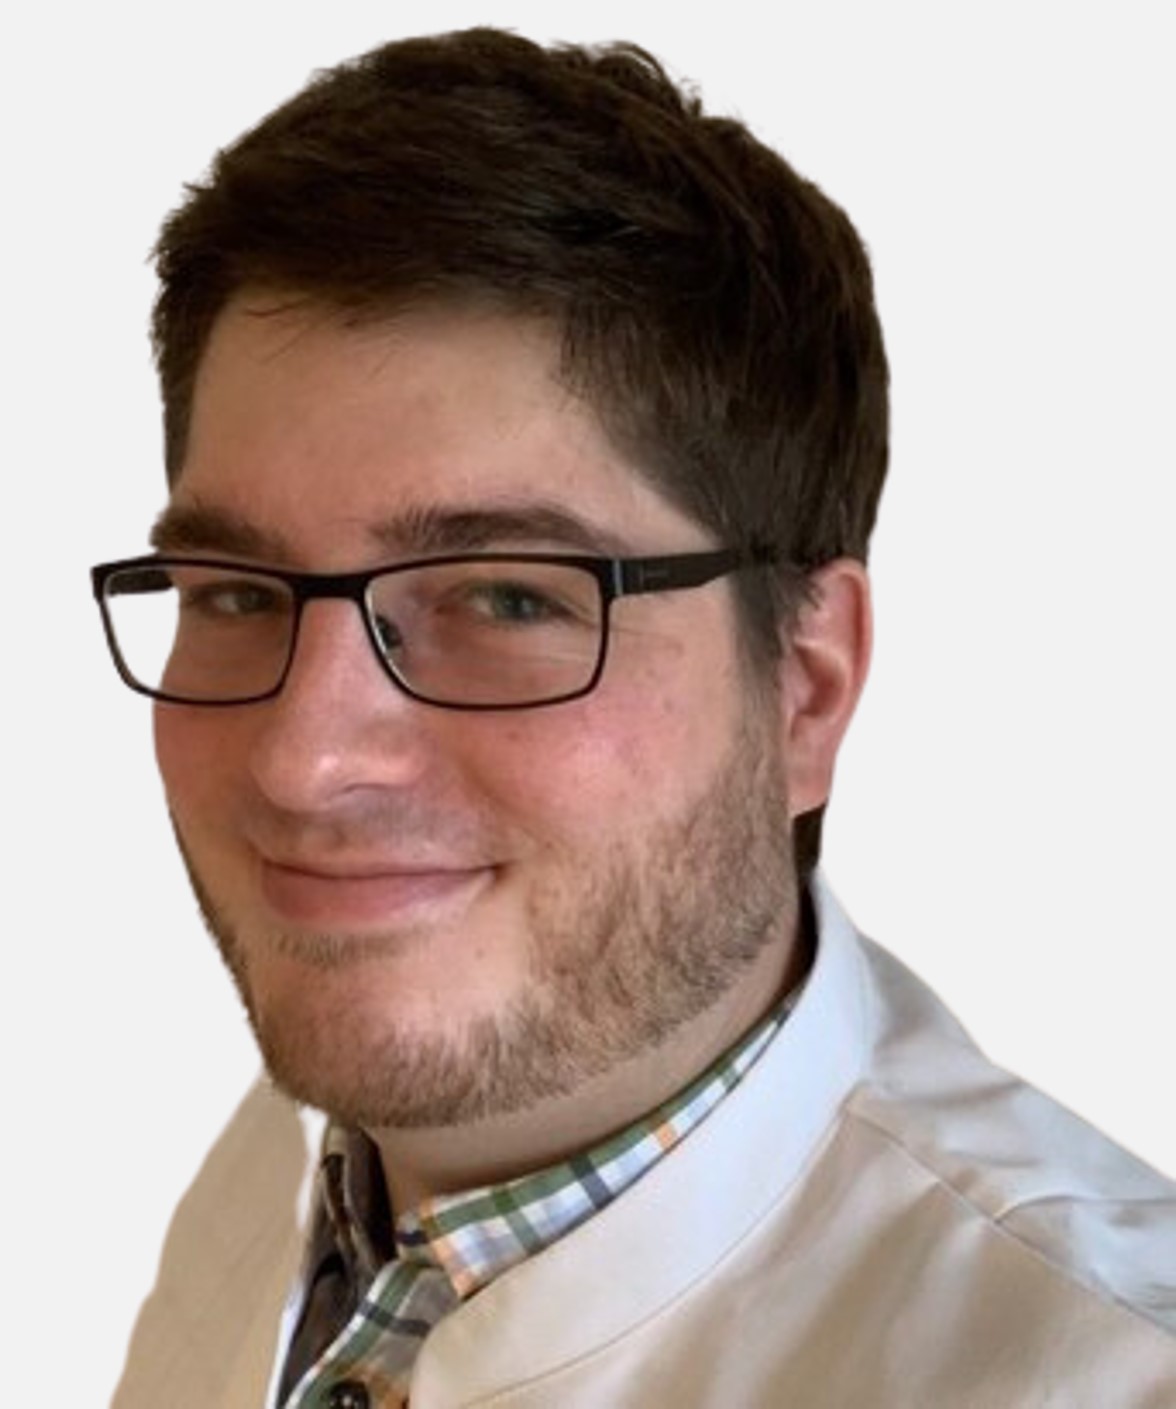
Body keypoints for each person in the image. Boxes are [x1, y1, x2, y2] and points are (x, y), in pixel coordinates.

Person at [94, 26, 1176, 1408]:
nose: (305, 761)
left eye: (506, 597)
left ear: (805, 685)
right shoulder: (286, 1171)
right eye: (239, 593)